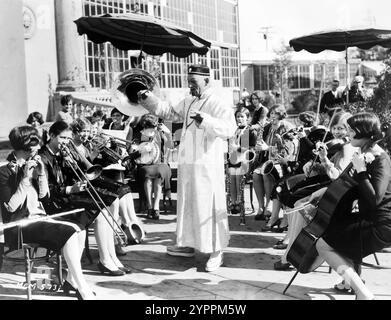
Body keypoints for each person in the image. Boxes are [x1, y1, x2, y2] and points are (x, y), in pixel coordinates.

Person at [137, 64, 236, 272]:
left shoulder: (218, 102)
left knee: (208, 203)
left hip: (207, 164)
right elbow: (171, 113)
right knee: (189, 202)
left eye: (194, 82)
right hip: (188, 161)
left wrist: (207, 120)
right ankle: (189, 243)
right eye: (189, 81)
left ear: (207, 81)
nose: (190, 86)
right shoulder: (189, 100)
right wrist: (147, 97)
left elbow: (230, 128)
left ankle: (217, 251)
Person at [0, 126, 95, 300]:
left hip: (39, 218)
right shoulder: (4, 172)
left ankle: (73, 280)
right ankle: (83, 288)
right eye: (35, 143)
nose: (38, 147)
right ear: (26, 145)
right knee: (70, 232)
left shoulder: (33, 164)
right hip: (20, 226)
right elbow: (10, 208)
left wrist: (41, 174)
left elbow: (44, 197)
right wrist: (26, 180)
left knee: (80, 227)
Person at [39, 121, 131, 276]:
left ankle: (111, 257)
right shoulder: (43, 157)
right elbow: (47, 191)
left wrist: (71, 164)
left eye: (68, 139)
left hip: (67, 197)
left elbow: (77, 173)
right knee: (100, 213)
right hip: (55, 203)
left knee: (106, 205)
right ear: (52, 136)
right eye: (62, 138)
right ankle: (105, 260)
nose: (66, 143)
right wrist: (70, 189)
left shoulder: (61, 153)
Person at [316, 112, 391, 300]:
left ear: (363, 132)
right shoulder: (363, 152)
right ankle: (353, 285)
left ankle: (362, 292)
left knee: (323, 245)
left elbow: (375, 200)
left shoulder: (380, 159)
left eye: (351, 130)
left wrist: (362, 171)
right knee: (337, 232)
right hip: (369, 218)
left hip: (382, 224)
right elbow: (343, 182)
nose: (347, 134)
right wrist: (318, 196)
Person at [274, 112, 356, 271]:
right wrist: (316, 165)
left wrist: (324, 160)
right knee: (294, 202)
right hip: (331, 187)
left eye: (342, 128)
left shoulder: (347, 147)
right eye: (335, 127)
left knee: (299, 206)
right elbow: (328, 171)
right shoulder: (338, 145)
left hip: (337, 194)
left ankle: (292, 255)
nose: (337, 132)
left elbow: (336, 176)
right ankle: (291, 247)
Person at [129, 113, 172, 220]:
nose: (152, 131)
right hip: (144, 165)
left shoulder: (160, 133)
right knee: (147, 177)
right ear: (144, 126)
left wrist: (169, 133)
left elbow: (170, 146)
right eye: (149, 128)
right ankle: (149, 206)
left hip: (160, 164)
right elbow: (131, 154)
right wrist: (141, 151)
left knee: (158, 176)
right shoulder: (138, 135)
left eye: (153, 128)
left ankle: (156, 207)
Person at [227, 107, 257, 215]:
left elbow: (251, 149)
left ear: (247, 118)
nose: (239, 118)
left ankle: (239, 202)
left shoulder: (250, 130)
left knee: (238, 177)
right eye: (237, 116)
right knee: (232, 178)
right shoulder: (234, 130)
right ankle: (234, 202)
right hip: (234, 159)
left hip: (245, 162)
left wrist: (237, 148)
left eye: (242, 116)